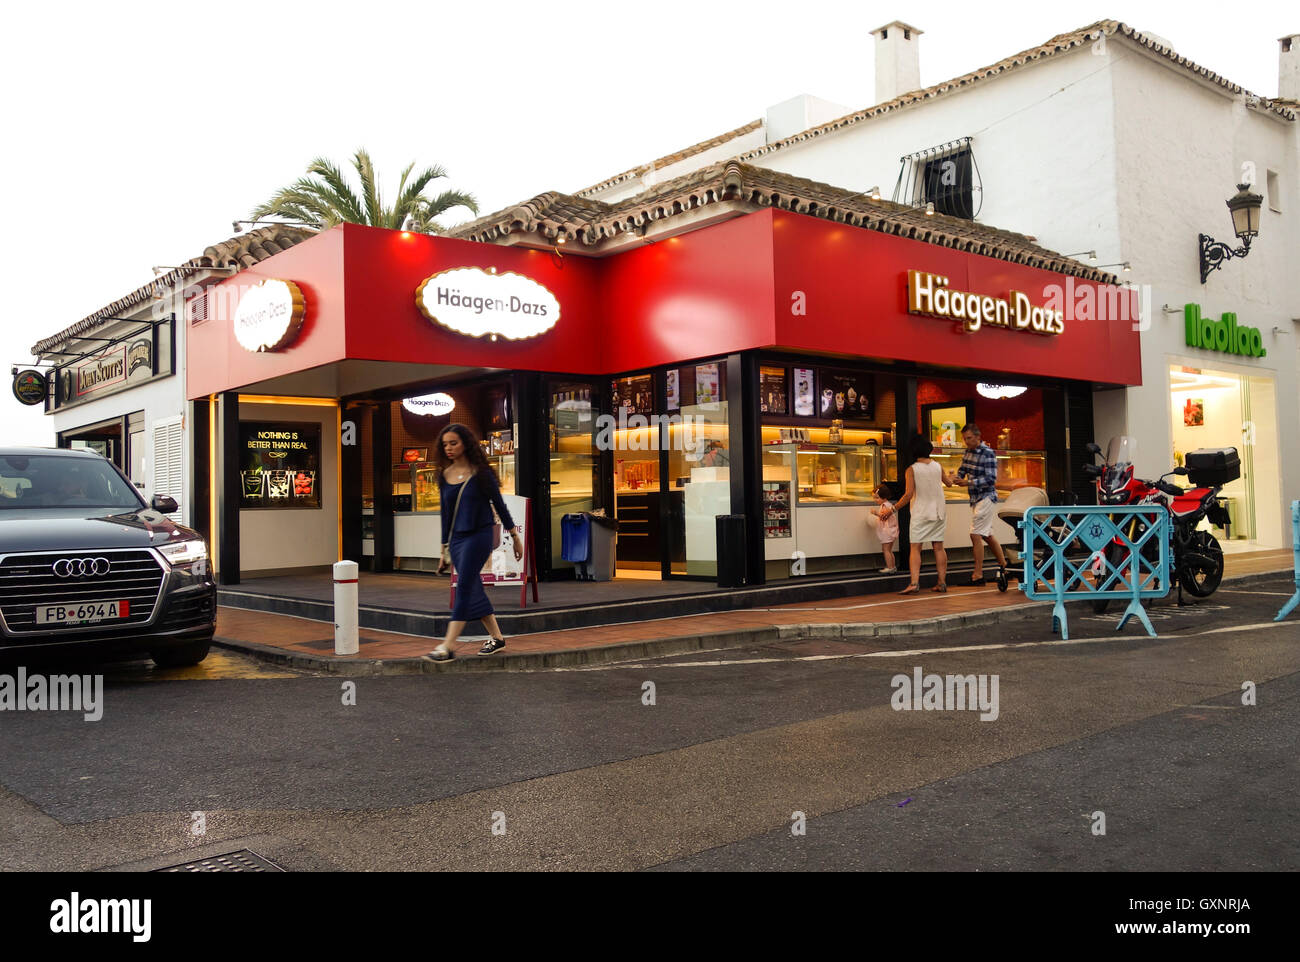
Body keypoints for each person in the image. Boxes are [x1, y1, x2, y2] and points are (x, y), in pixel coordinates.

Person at [428, 424, 524, 660]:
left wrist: (514, 538)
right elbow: (446, 516)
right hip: (458, 540)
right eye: (445, 444)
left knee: (464, 586)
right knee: (472, 586)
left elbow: (500, 506)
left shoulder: (481, 473)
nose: (449, 448)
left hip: (479, 536)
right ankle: (498, 638)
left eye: (454, 443)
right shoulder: (444, 475)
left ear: (466, 444)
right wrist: (444, 550)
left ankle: (448, 646)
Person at [882, 435, 954, 594]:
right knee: (939, 547)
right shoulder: (937, 466)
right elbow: (949, 483)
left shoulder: (912, 469)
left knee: (915, 547)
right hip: (939, 512)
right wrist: (953, 475)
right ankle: (941, 583)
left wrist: (892, 509)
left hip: (921, 512)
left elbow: (908, 495)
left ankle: (914, 583)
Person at [953, 423, 1008, 586]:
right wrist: (957, 477)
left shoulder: (988, 453)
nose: (966, 442)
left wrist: (968, 483)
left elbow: (991, 479)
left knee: (975, 534)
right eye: (964, 439)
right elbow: (963, 469)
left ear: (978, 436)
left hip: (986, 497)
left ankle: (977, 575)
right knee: (987, 535)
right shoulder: (968, 452)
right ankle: (1004, 567)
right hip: (976, 498)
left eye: (968, 438)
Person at [872, 482, 899, 573]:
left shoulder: (884, 506)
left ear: (884, 497)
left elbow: (883, 517)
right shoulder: (889, 505)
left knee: (886, 550)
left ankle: (890, 567)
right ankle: (893, 566)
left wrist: (875, 513)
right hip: (892, 531)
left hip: (887, 531)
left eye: (877, 498)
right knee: (889, 550)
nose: (875, 500)